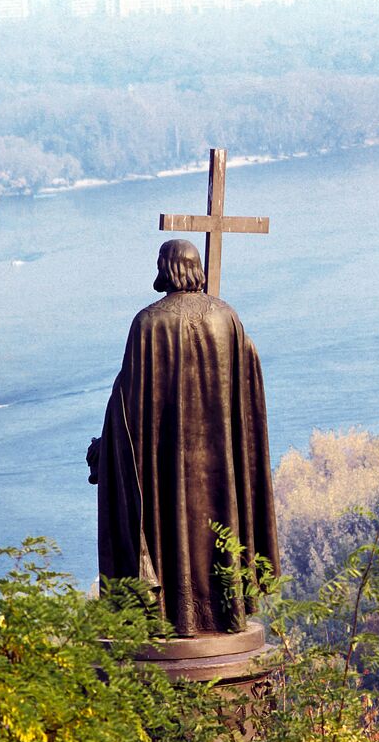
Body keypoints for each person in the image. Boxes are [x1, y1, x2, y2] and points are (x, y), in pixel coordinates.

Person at [88, 239, 279, 636]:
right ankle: (226, 610)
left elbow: (126, 410)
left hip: (167, 472)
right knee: (219, 529)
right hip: (219, 470)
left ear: (166, 267)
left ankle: (175, 616)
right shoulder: (227, 319)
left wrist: (103, 453)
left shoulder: (148, 324)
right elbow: (248, 395)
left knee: (167, 529)